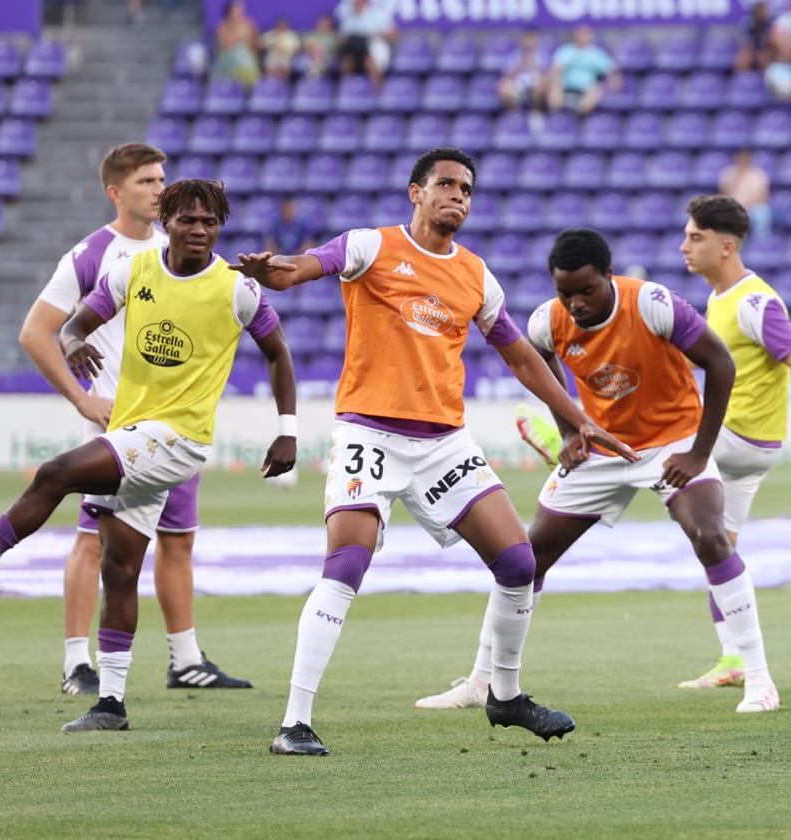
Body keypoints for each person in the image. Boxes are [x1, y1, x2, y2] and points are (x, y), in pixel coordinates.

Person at [230, 147, 638, 756]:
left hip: (443, 442)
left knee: (520, 563)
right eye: (446, 184)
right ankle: (294, 722)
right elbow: (302, 268)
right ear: (416, 192)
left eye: (467, 189)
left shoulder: (476, 274)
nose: (458, 197)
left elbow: (520, 355)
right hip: (369, 433)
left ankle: (504, 694)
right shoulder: (372, 246)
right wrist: (273, 271)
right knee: (347, 562)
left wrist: (577, 417)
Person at [0, 179, 298, 734]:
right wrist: (73, 343)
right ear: (168, 223)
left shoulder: (236, 288)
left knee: (55, 472)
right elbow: (75, 324)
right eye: (189, 220)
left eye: (210, 222)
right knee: (119, 567)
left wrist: (287, 430)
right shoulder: (134, 271)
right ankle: (111, 702)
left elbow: (278, 354)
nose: (200, 230)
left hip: (180, 439)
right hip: (135, 430)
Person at [413, 227, 780, 715]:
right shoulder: (547, 321)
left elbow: (721, 364)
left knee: (710, 534)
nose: (576, 303)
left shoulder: (653, 304)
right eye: (565, 293)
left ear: (609, 276)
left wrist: (698, 453)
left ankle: (759, 679)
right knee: (525, 558)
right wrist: (570, 433)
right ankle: (484, 680)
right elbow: (541, 368)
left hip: (673, 441)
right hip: (602, 449)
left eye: (586, 290)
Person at [19, 143, 250, 696]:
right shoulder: (93, 253)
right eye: (146, 180)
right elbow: (37, 331)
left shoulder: (184, 251)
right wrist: (82, 400)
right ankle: (78, 662)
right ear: (115, 192)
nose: (158, 187)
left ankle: (185, 659)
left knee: (178, 540)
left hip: (175, 424)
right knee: (94, 543)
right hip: (116, 423)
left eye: (161, 179)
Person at [677, 195, 791, 689]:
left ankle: (571, 441)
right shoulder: (719, 296)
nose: (685, 245)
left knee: (659, 439)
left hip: (737, 436)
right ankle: (734, 658)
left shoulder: (753, 301)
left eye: (696, 237)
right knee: (717, 545)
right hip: (752, 449)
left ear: (727, 247)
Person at [547, 26, 619, 115]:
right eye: (579, 34)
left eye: (585, 34)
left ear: (590, 36)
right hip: (565, 87)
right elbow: (556, 69)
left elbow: (612, 70)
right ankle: (557, 115)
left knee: (596, 90)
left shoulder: (596, 54)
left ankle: (578, 115)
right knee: (555, 85)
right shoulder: (566, 51)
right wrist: (556, 79)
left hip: (586, 89)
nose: (582, 36)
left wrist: (613, 81)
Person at [335, 0, 396, 87]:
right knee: (345, 63)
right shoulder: (349, 18)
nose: (356, 5)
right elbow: (342, 38)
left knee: (370, 62)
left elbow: (393, 37)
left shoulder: (378, 15)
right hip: (354, 50)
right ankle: (345, 94)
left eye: (359, 2)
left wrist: (375, 34)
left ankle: (379, 95)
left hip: (374, 47)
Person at [719, 150, 772, 239]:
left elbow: (763, 197)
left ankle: (760, 240)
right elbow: (723, 194)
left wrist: (747, 206)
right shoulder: (729, 173)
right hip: (733, 206)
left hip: (753, 207)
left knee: (762, 212)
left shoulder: (758, 175)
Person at [211, 0, 261, 87]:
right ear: (229, 11)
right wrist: (239, 38)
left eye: (240, 9)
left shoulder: (249, 24)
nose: (238, 12)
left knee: (242, 54)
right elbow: (225, 43)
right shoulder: (222, 26)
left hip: (247, 58)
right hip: (227, 59)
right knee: (238, 53)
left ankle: (248, 86)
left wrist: (245, 43)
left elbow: (255, 44)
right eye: (235, 9)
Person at [498, 30, 549, 112]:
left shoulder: (543, 56)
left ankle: (536, 113)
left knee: (543, 83)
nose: (529, 42)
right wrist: (521, 65)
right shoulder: (514, 55)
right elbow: (507, 75)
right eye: (527, 38)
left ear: (537, 40)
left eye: (532, 38)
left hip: (536, 84)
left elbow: (547, 75)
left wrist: (534, 65)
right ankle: (515, 114)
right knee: (505, 85)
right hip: (518, 85)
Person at [736, 1, 774, 72]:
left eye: (763, 9)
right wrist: (753, 52)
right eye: (760, 8)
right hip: (750, 50)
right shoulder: (747, 23)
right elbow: (745, 43)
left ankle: (765, 80)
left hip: (763, 50)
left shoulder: (769, 23)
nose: (763, 11)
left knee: (765, 57)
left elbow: (769, 42)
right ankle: (741, 80)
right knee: (744, 57)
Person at [300, 14, 338, 79]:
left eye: (326, 23)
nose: (324, 25)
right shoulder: (312, 34)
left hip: (326, 58)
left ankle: (318, 83)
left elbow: (334, 50)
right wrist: (312, 51)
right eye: (322, 23)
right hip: (311, 56)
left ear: (330, 25)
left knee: (322, 64)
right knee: (301, 62)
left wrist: (321, 52)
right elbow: (306, 47)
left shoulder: (333, 37)